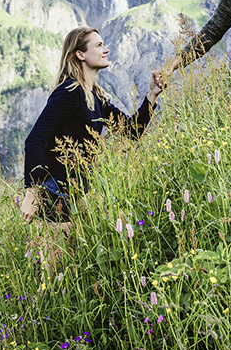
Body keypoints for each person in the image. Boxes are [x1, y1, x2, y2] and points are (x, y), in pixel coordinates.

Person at [21, 26, 162, 225]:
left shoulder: (97, 96)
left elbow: (132, 131)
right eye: (99, 45)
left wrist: (152, 95)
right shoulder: (70, 92)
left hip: (77, 194)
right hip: (55, 194)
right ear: (80, 54)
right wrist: (31, 193)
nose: (106, 50)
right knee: (57, 255)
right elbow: (35, 139)